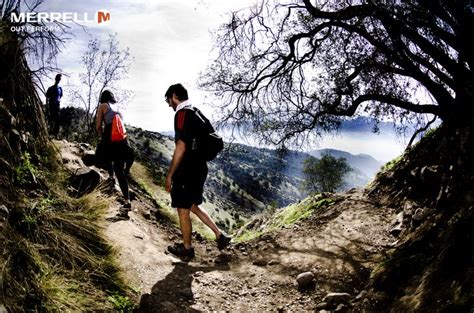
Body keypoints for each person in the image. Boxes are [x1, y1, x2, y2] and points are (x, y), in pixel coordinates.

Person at [164, 83, 231, 260]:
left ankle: (187, 250)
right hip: (200, 167)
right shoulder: (196, 112)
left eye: (168, 100)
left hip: (187, 169)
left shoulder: (181, 113)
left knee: (182, 209)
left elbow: (181, 146)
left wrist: (170, 174)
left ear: (175, 96)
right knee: (192, 204)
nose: (169, 104)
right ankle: (220, 235)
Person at [95, 90, 133, 213]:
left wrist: (101, 136)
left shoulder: (103, 106)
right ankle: (127, 202)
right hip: (122, 140)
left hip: (110, 137)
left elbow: (98, 125)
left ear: (103, 98)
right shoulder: (118, 108)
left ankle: (111, 177)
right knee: (120, 171)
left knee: (103, 155)